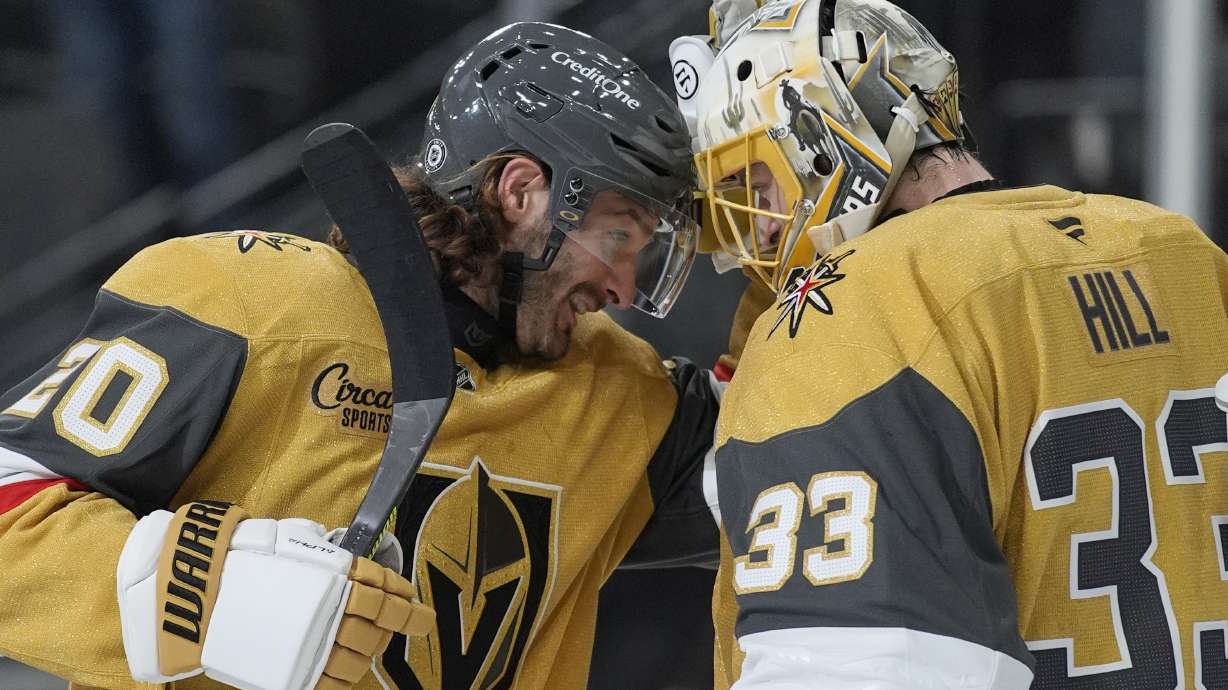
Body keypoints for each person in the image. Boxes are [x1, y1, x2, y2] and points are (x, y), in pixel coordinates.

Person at [0, 22, 721, 690]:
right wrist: (198, 600)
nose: (622, 287)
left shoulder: (622, 395)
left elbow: (781, 444)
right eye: (619, 238)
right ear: (521, 192)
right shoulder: (246, 300)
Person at [680, 0, 1228, 687]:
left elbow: (863, 667)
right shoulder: (1180, 250)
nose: (757, 229)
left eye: (755, 182)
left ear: (822, 131)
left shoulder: (850, 307)